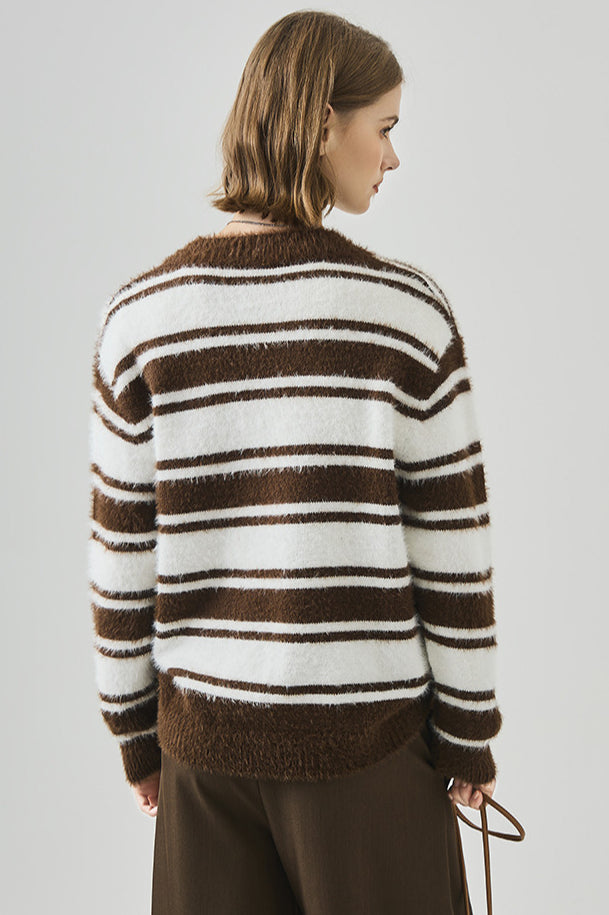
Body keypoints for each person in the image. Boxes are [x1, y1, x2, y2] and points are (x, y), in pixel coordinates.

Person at [88, 10, 502, 914]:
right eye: (383, 127)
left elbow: (121, 557)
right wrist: (468, 728)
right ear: (321, 123)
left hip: (203, 760)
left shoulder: (141, 319)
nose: (392, 157)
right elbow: (450, 546)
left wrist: (133, 731)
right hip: (370, 754)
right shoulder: (404, 315)